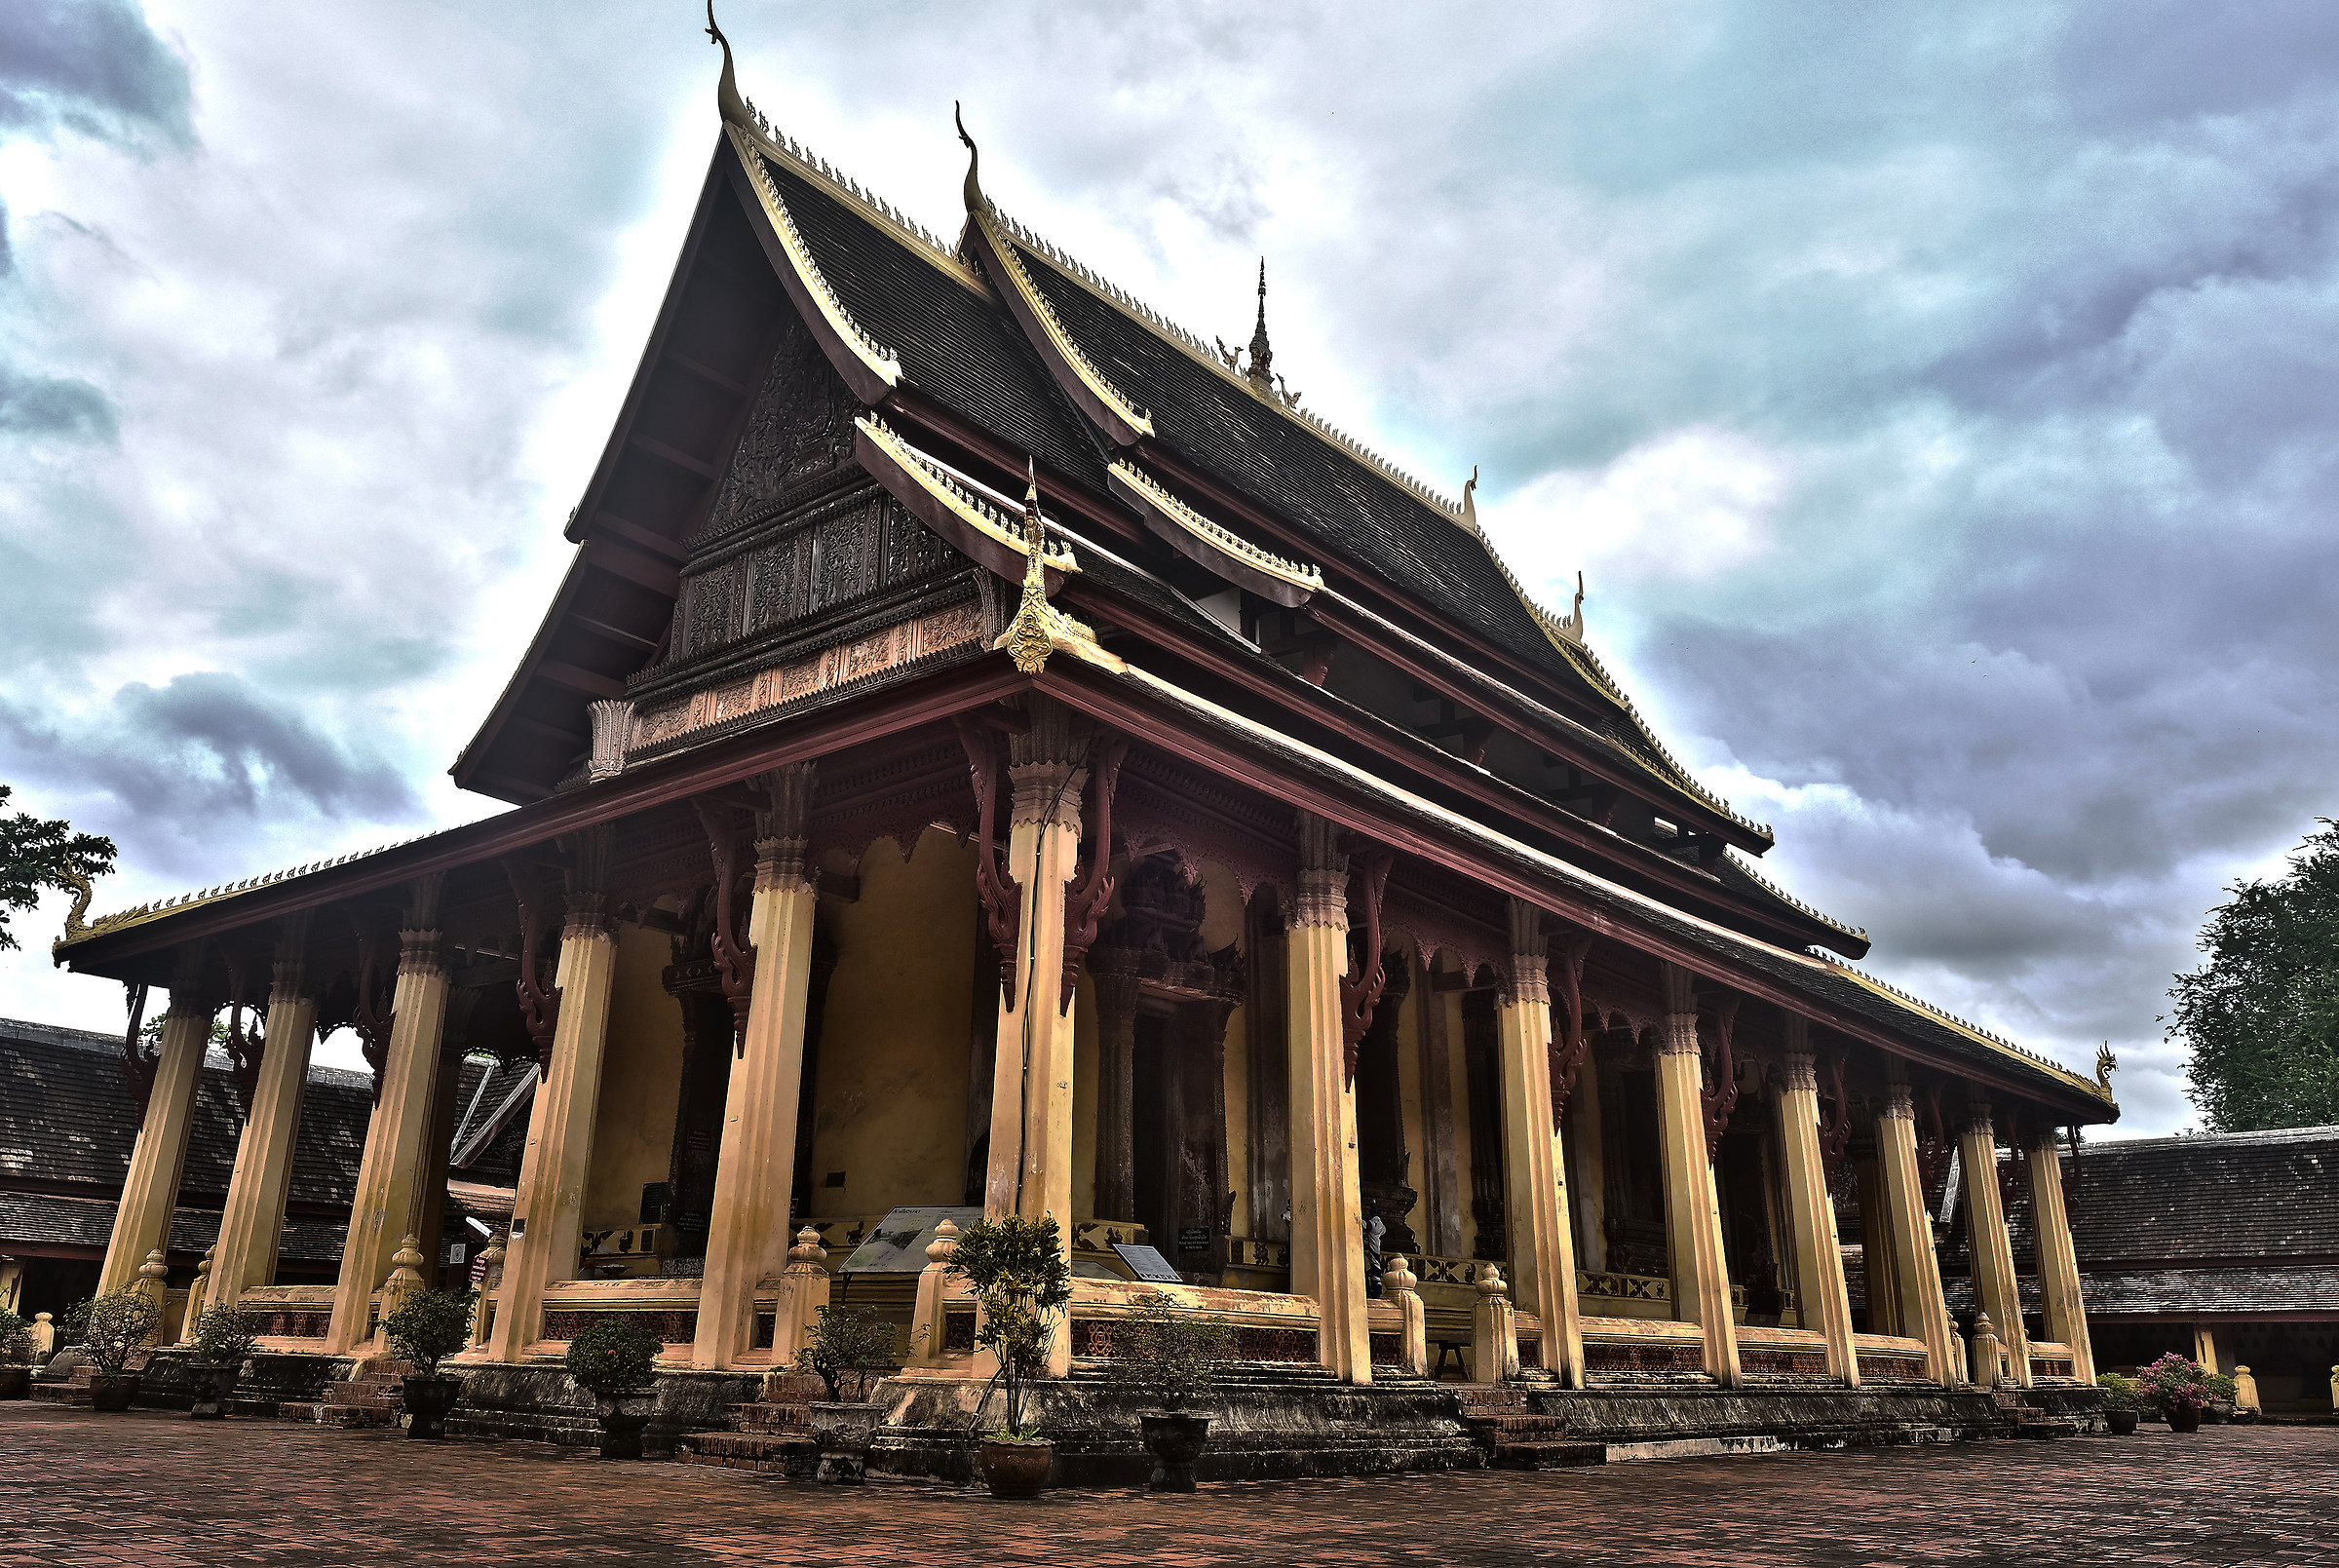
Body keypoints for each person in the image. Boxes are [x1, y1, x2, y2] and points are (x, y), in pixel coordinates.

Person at [1363, 1200, 1387, 1299]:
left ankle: (1376, 1292)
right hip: (1374, 1244)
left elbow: (1365, 1224)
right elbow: (1384, 1230)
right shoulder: (1380, 1225)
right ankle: (1376, 1291)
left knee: (1375, 1267)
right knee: (1375, 1267)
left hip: (1374, 1245)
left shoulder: (1375, 1223)